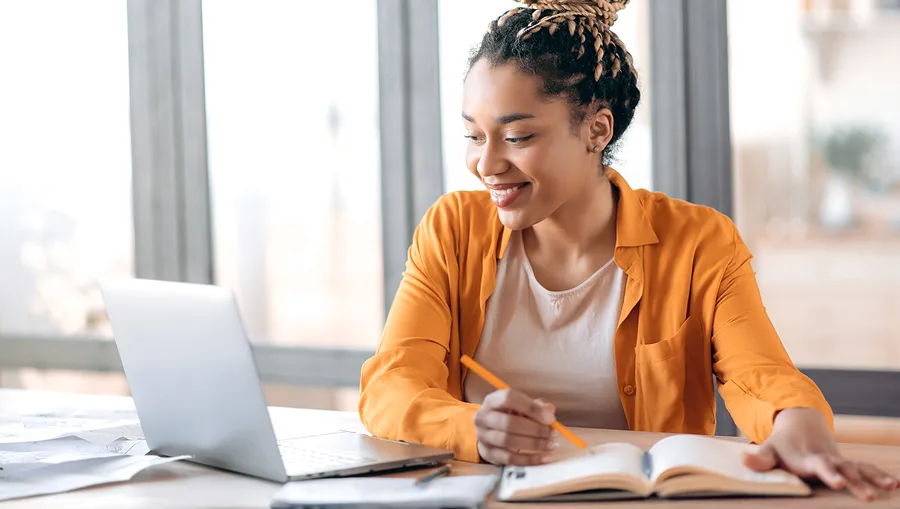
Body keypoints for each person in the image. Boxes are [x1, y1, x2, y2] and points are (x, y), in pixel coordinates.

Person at [359, 0, 897, 501]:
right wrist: (469, 427)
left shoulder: (699, 242)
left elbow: (758, 373)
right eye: (474, 136)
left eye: (517, 137)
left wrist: (797, 420)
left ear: (596, 129)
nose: (487, 164)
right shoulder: (452, 228)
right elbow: (391, 383)